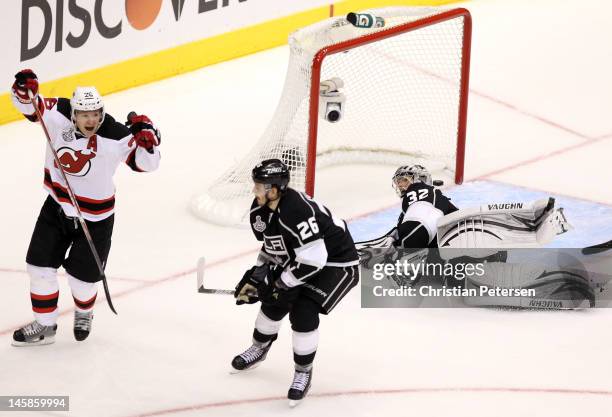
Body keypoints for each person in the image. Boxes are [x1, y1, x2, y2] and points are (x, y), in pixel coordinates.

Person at [10, 69, 161, 346]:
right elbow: (30, 105)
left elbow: (147, 164)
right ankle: (45, 326)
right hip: (56, 207)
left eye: (95, 114)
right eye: (84, 115)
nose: (91, 120)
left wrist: (148, 143)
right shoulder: (59, 114)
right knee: (39, 267)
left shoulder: (115, 134)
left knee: (82, 279)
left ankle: (84, 312)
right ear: (74, 114)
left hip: (96, 217)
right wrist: (22, 90)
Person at [232, 159, 360, 407]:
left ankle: (303, 372)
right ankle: (259, 347)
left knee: (303, 309)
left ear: (275, 189)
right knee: (273, 301)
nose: (254, 191)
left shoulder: (297, 211)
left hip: (336, 262)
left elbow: (315, 260)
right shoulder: (261, 209)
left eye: (260, 186)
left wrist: (279, 282)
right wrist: (259, 278)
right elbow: (273, 248)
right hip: (304, 257)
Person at [391, 164, 458, 248]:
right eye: (398, 182)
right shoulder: (406, 211)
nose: (400, 185)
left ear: (422, 179)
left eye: (405, 180)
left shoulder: (418, 196)